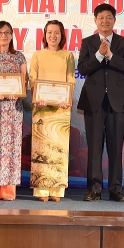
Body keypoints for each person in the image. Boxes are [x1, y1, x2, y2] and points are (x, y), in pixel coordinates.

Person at [77, 3, 124, 202]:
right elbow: (83, 68)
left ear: (114, 20)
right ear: (95, 21)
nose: (105, 21)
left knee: (115, 148)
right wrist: (99, 55)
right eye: (101, 18)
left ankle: (115, 189)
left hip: (116, 101)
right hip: (93, 100)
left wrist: (110, 55)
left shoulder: (123, 42)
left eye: (109, 17)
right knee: (94, 148)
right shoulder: (87, 42)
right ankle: (94, 189)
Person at [29, 20, 76, 202]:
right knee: (41, 150)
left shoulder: (68, 56)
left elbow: (70, 80)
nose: (53, 36)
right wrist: (37, 94)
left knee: (58, 150)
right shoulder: (38, 55)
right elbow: (33, 78)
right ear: (45, 34)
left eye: (56, 32)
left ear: (62, 35)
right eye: (49, 32)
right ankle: (41, 190)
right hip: (41, 108)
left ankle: (57, 189)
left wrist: (67, 98)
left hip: (61, 109)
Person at [0, 21, 28, 201]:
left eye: (7, 32)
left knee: (11, 148)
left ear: (12, 35)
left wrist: (16, 91)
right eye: (0, 33)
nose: (3, 36)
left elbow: (24, 81)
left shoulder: (19, 57)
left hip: (12, 109)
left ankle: (8, 190)